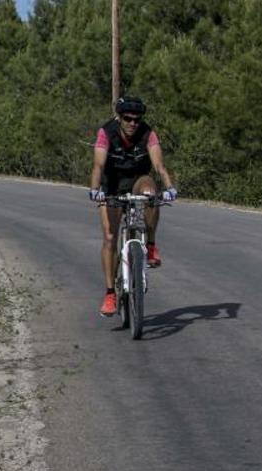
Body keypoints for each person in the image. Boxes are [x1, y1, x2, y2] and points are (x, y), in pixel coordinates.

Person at [89, 96, 178, 317]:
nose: (132, 124)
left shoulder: (148, 133)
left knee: (151, 193)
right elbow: (98, 165)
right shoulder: (106, 132)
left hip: (138, 179)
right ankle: (110, 293)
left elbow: (159, 165)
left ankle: (151, 243)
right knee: (110, 237)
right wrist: (95, 189)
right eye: (127, 119)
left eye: (137, 120)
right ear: (119, 117)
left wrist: (170, 187)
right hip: (112, 185)